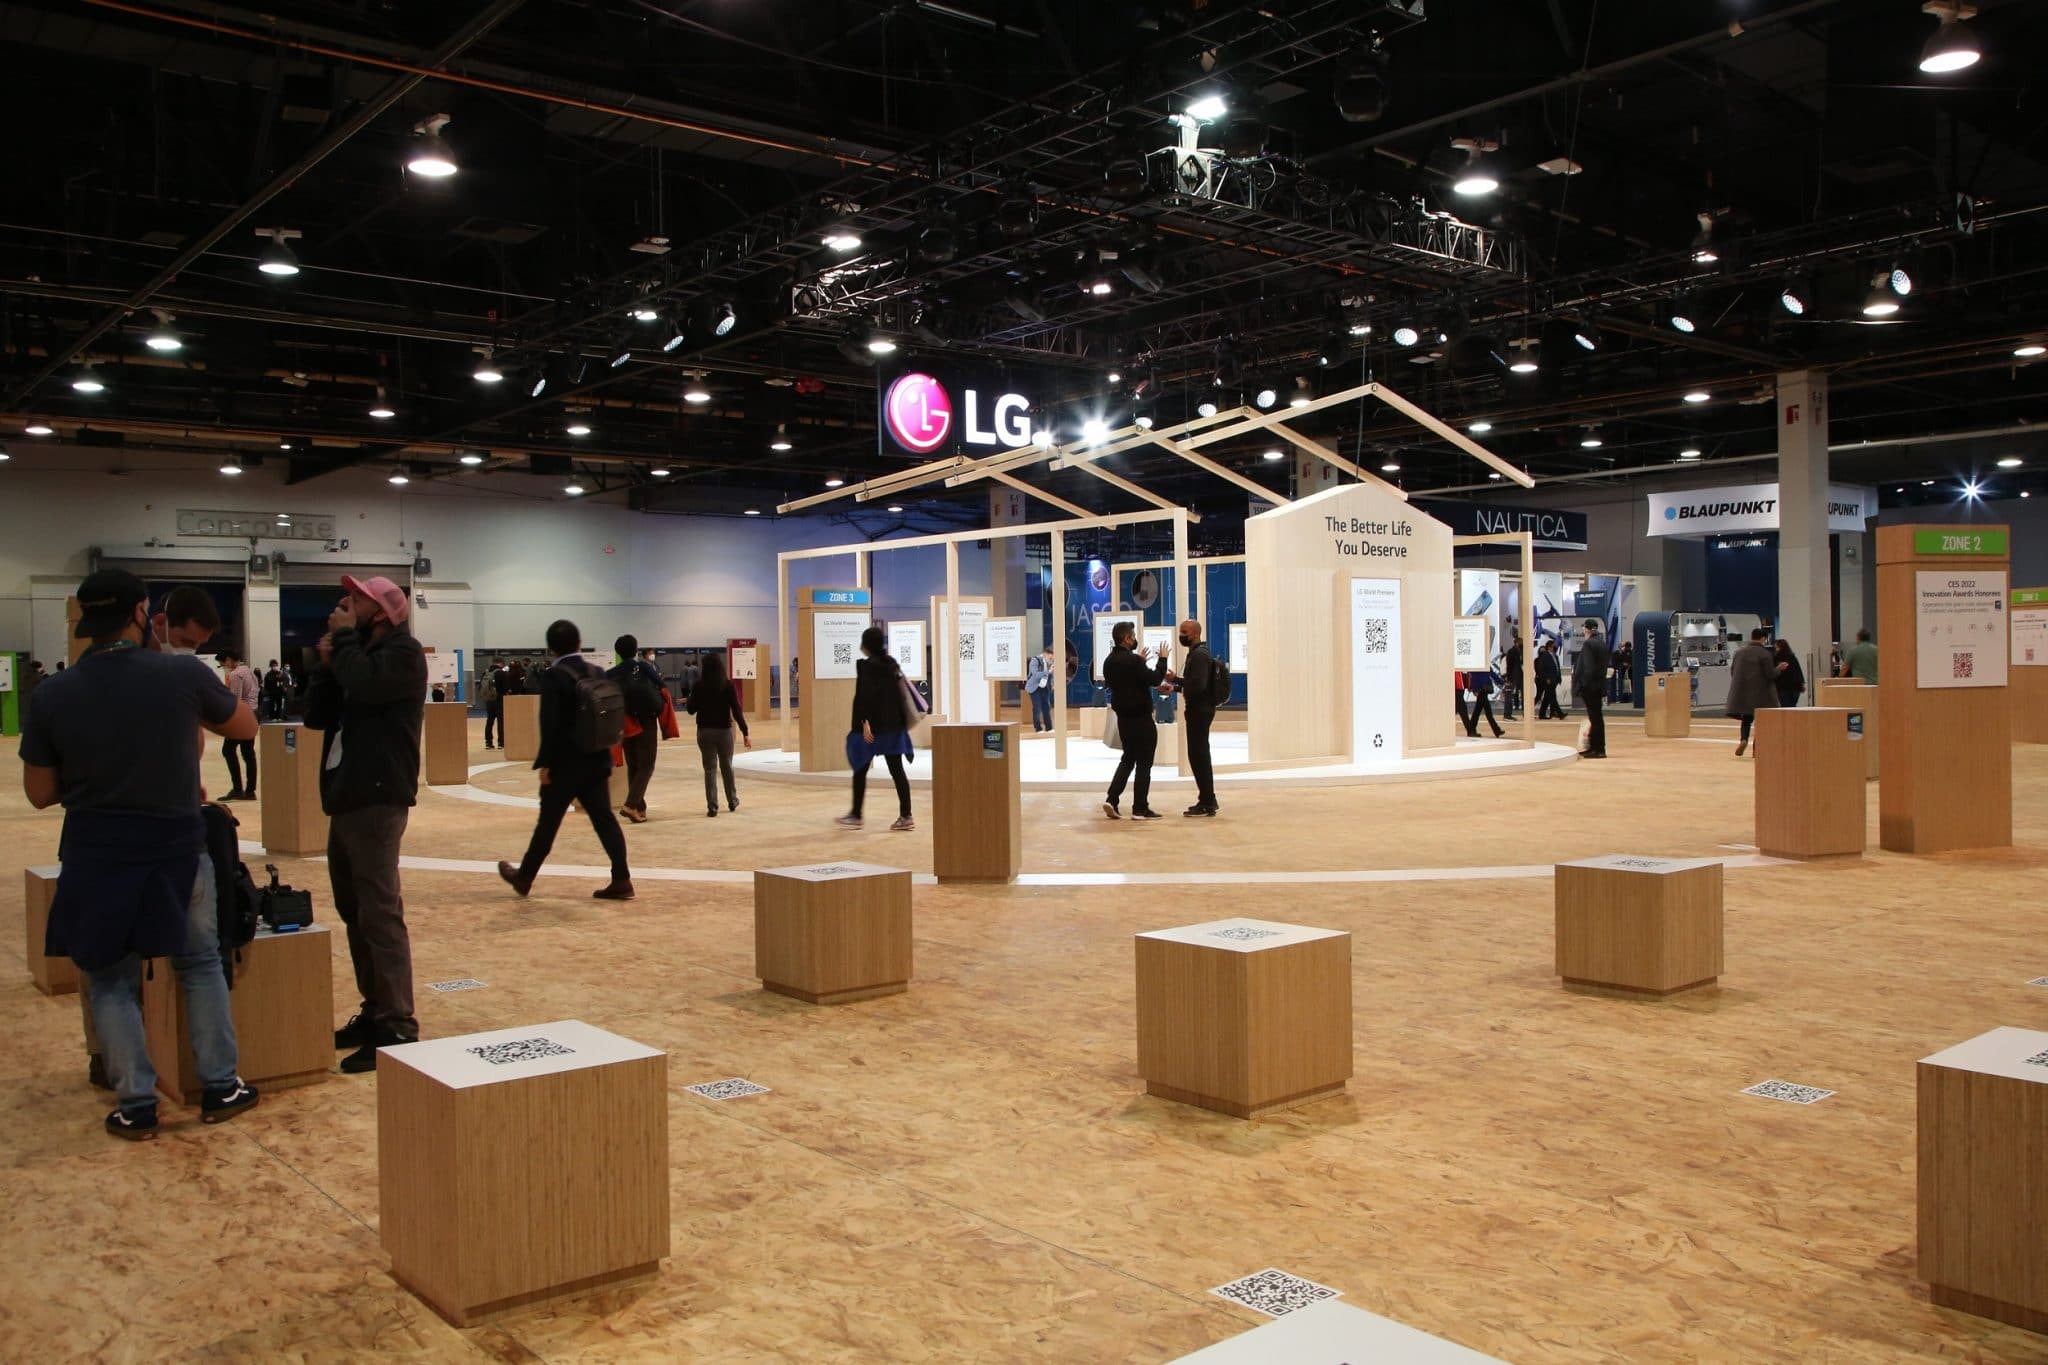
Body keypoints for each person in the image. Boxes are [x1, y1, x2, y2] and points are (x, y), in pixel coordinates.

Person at [19, 568, 260, 1139]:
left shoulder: (53, 693)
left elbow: (39, 792)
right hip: (177, 848)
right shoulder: (180, 674)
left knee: (109, 979)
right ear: (139, 613)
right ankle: (220, 1086)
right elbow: (245, 728)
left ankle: (136, 1105)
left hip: (96, 852)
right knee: (199, 963)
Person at [305, 574, 429, 1073]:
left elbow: (367, 684)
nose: (344, 602)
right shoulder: (358, 653)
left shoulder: (403, 653)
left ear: (381, 611)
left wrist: (342, 644)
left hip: (378, 795)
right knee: (354, 907)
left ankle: (398, 1024)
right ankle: (375, 1009)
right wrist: (325, 666)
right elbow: (317, 716)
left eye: (356, 597)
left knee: (379, 910)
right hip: (348, 792)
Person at [498, 619, 635, 899]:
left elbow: (550, 724)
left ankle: (524, 877)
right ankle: (621, 879)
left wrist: (545, 764)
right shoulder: (596, 671)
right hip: (597, 759)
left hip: (565, 765)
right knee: (605, 821)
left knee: (548, 824)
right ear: (579, 643)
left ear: (550, 648)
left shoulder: (554, 676)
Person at [838, 626, 915, 830]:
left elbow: (865, 698)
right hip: (893, 727)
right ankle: (906, 815)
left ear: (866, 644)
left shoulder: (867, 667)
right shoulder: (891, 665)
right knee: (897, 770)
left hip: (873, 728)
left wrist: (864, 723)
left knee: (860, 768)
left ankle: (856, 814)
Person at [1102, 620, 1171, 820]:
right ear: (1126, 638)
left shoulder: (1109, 662)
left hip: (1123, 720)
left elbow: (1128, 682)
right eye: (1132, 636)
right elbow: (1155, 679)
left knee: (1127, 759)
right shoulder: (1134, 661)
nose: (1135, 639)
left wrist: (1139, 662)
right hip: (1142, 720)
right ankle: (1140, 808)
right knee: (1144, 763)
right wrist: (1163, 659)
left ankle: (1112, 799)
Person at [607, 634, 667, 823]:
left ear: (618, 652)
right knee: (647, 764)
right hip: (645, 720)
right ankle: (631, 805)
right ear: (635, 650)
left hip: (624, 721)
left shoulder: (611, 673)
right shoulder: (643, 667)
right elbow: (661, 685)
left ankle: (639, 808)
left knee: (633, 764)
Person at [686, 651, 751, 817]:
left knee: (710, 769)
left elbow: (691, 710)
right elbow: (736, 710)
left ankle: (712, 806)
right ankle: (732, 800)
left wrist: (691, 699)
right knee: (727, 766)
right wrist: (745, 731)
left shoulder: (698, 686)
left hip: (705, 731)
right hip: (724, 731)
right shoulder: (727, 685)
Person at [1176, 619, 1219, 817]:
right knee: (1198, 754)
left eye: (1184, 632)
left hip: (1200, 711)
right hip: (1198, 709)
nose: (1181, 635)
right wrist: (1176, 686)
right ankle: (1208, 798)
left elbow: (1198, 685)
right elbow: (1193, 684)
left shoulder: (1199, 655)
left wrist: (1177, 681)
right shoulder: (1197, 653)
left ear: (1195, 633)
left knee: (1199, 755)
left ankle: (1207, 801)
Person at [1725, 627, 1779, 757]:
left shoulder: (1739, 653)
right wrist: (1779, 669)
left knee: (1746, 719)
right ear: (1763, 638)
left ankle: (1743, 739)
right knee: (1761, 722)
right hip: (1761, 694)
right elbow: (1770, 674)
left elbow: (1733, 671)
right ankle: (1756, 749)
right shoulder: (1765, 654)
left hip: (1743, 693)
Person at [218, 648, 260, 800]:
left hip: (242, 716)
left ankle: (237, 789)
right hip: (254, 712)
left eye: (223, 664)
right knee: (248, 753)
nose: (224, 667)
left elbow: (235, 700)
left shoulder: (236, 674)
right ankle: (250, 791)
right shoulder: (248, 670)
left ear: (229, 660)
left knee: (228, 750)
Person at [1571, 620, 1609, 759]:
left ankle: (1596, 749)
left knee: (1594, 718)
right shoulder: (1602, 643)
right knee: (1597, 717)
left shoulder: (1588, 644)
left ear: (1586, 630)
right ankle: (1598, 747)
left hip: (1590, 687)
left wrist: (1582, 684)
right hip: (1599, 685)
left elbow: (1588, 668)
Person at [1463, 669, 1506, 739]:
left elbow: (1492, 674)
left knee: (1478, 711)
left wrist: (1502, 682)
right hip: (1482, 689)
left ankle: (1472, 730)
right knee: (1486, 712)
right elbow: (1473, 675)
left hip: (1483, 689)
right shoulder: (1480, 665)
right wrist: (1474, 689)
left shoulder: (1483, 664)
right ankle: (1496, 730)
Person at [1025, 644, 1056, 733]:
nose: (1051, 659)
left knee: (1047, 707)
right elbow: (1035, 675)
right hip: (1035, 687)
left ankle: (1049, 728)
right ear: (1046, 654)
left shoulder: (1050, 662)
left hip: (1045, 687)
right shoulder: (1035, 660)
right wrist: (1048, 671)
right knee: (1037, 707)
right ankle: (1038, 728)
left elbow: (1051, 675)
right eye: (1050, 657)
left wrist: (1052, 683)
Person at [1534, 639, 1565, 719]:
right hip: (1548, 680)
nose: (1555, 647)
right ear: (1549, 647)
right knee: (1552, 697)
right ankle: (1560, 713)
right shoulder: (1545, 656)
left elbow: (1557, 667)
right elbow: (1542, 669)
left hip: (1554, 679)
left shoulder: (1555, 656)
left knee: (1547, 698)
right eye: (1553, 646)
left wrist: (1559, 678)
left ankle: (1542, 714)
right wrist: (1546, 678)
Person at [1773, 639, 1806, 708]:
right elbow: (1798, 672)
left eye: (1776, 647)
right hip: (1795, 687)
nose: (1776, 649)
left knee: (1785, 707)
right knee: (1792, 706)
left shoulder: (1776, 658)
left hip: (1782, 687)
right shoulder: (1792, 657)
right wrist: (1801, 684)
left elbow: (1774, 673)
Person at [1501, 636, 1524, 720]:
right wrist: (1508, 678)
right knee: (1509, 695)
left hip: (1519, 676)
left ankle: (1525, 713)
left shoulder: (1521, 652)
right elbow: (1509, 666)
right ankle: (1507, 714)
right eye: (1521, 643)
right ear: (1516, 643)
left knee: (1522, 694)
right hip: (1512, 676)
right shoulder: (1512, 652)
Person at [1610, 640, 1634, 704]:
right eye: (1622, 646)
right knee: (1623, 686)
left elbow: (1632, 660)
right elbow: (1615, 663)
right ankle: (1622, 698)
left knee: (1630, 685)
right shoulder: (1616, 653)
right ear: (1619, 647)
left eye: (1624, 646)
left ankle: (1631, 698)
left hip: (1630, 672)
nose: (1623, 647)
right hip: (1621, 672)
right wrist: (1623, 665)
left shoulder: (1630, 652)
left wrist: (1629, 665)